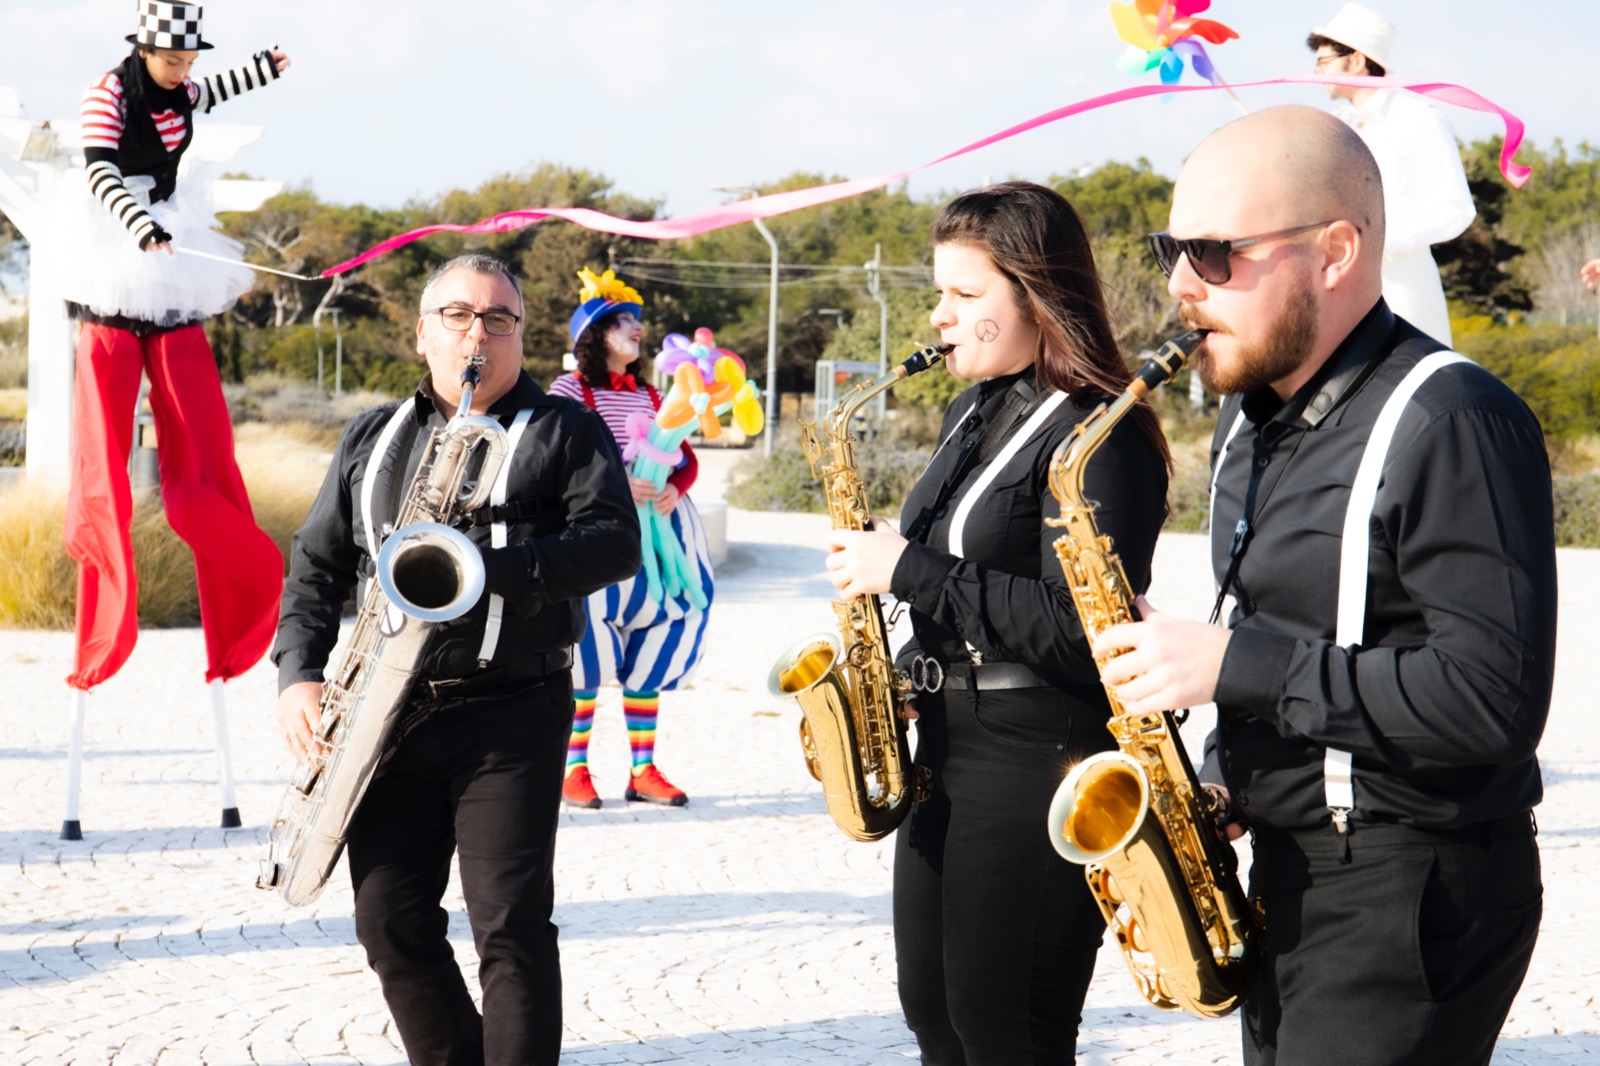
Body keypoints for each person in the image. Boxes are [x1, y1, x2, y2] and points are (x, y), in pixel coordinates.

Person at [1094, 106, 1553, 1065]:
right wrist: (1220, 772)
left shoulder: (1453, 419)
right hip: (1295, 869)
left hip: (1409, 887)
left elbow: (1491, 701)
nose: (1181, 284)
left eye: (1215, 253)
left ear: (1337, 250)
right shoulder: (1248, 424)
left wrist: (1233, 665)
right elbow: (1291, 631)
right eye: (1170, 248)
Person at [824, 181, 1171, 1062]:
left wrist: (907, 567)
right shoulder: (971, 410)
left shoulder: (1103, 436)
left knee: (1007, 1032)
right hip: (947, 745)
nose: (939, 317)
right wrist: (897, 670)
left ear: (1038, 295)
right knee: (934, 1018)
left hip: (1036, 755)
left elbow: (1081, 630)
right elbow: (961, 581)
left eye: (965, 295)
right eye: (939, 293)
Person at [272, 254, 641, 1066]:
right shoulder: (372, 435)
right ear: (422, 333)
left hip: (512, 710)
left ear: (520, 336)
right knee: (389, 921)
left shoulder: (566, 430)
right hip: (386, 713)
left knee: (508, 925)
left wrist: (482, 569)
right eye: (459, 315)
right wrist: (297, 671)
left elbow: (616, 545)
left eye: (499, 318)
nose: (479, 333)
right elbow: (316, 562)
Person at [60, 1, 290, 691]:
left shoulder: (181, 85)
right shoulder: (108, 93)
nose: (182, 72)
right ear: (141, 51)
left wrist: (262, 71)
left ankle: (240, 600)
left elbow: (207, 95)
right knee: (104, 458)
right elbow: (100, 172)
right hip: (117, 246)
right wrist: (138, 227)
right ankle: (105, 625)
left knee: (198, 454)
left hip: (167, 246)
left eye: (189, 62)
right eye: (171, 61)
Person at [547, 268, 713, 809]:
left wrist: (674, 486)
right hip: (592, 535)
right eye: (620, 321)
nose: (635, 329)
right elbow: (551, 459)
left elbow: (683, 455)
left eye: (636, 321)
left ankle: (642, 769)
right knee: (587, 655)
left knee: (652, 643)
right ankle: (574, 770)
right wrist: (615, 479)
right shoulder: (569, 390)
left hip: (655, 542)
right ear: (593, 336)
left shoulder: (651, 391)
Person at [1308, 2, 1475, 346]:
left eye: (1324, 62)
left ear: (1356, 60)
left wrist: (1378, 241)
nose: (1316, 74)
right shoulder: (1334, 126)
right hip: (1338, 287)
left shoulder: (1419, 118)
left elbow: (1456, 210)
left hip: (1404, 287)